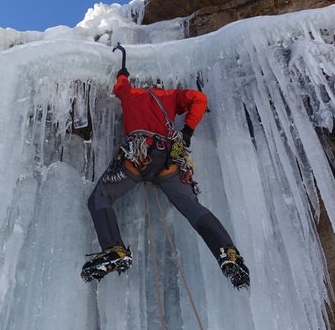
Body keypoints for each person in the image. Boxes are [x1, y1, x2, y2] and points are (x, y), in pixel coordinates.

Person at [82, 58, 250, 289]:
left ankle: (114, 249)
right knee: (192, 207)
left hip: (137, 157)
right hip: (169, 160)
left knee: (101, 197)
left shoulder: (130, 93)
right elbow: (199, 99)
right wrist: (188, 131)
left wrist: (123, 74)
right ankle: (228, 252)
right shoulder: (170, 96)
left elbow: (119, 86)